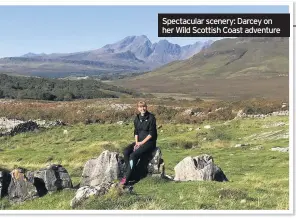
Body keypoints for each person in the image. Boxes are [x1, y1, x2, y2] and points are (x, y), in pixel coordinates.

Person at [120, 101, 158, 186]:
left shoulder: (151, 118)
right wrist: (137, 143)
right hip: (139, 141)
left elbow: (152, 134)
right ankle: (132, 173)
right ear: (138, 108)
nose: (142, 108)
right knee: (126, 151)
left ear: (146, 107)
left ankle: (126, 178)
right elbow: (136, 132)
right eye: (140, 107)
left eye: (144, 106)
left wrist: (141, 143)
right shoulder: (137, 118)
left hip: (149, 143)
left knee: (133, 155)